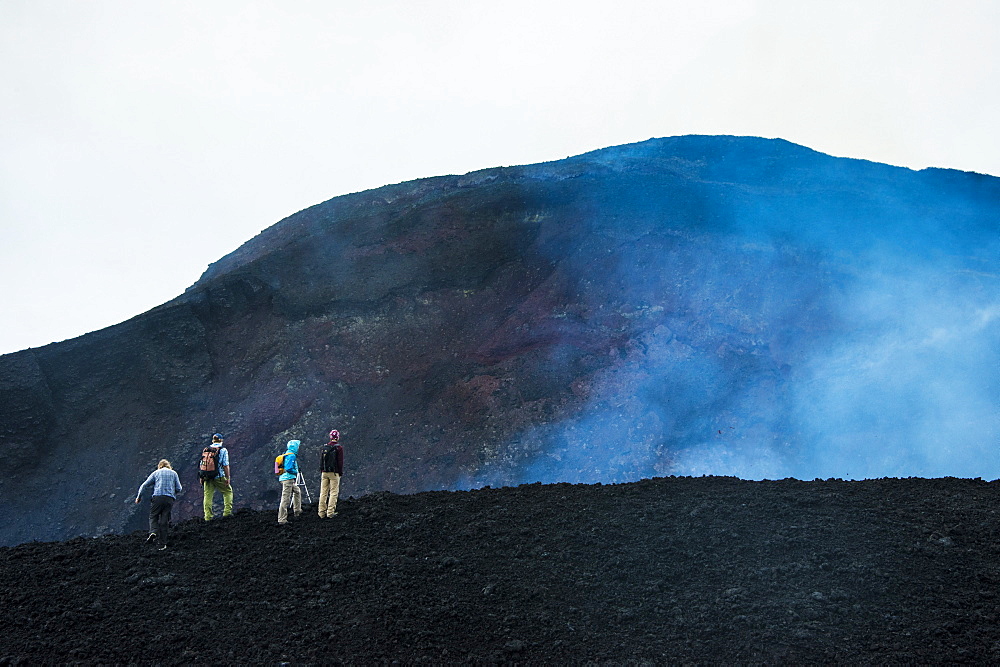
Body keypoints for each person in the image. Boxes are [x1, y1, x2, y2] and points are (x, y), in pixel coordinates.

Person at [135, 459, 183, 550]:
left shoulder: (156, 473)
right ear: (168, 465)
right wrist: (172, 492)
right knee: (164, 520)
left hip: (157, 498)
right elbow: (179, 488)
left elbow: (144, 485)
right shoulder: (174, 473)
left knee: (153, 516)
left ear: (160, 466)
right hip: (169, 499)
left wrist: (139, 497)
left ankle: (153, 532)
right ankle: (162, 544)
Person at [201, 433, 234, 521]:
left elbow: (202, 464)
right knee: (227, 492)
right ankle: (227, 513)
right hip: (219, 476)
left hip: (207, 476)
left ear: (212, 440)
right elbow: (225, 465)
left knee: (207, 496)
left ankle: (208, 517)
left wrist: (202, 477)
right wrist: (228, 478)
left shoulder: (206, 449)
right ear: (221, 441)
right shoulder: (223, 450)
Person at [317, 429, 344, 518]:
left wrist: (322, 470)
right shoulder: (339, 448)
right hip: (334, 472)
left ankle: (321, 513)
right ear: (337, 437)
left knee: (323, 492)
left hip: (324, 472)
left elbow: (321, 460)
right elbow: (340, 462)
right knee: (333, 492)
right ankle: (330, 513)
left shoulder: (325, 447)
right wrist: (339, 472)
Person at [277, 439, 302, 525]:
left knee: (297, 491)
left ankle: (297, 510)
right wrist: (296, 471)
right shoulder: (292, 456)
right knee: (285, 499)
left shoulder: (286, 454)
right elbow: (288, 468)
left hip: (284, 478)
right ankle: (282, 519)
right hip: (288, 479)